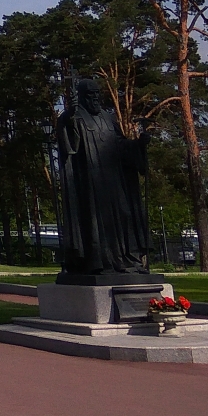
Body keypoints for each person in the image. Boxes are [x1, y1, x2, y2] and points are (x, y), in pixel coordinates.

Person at [57, 78, 150, 276]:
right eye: (90, 95)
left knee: (125, 216)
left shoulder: (108, 119)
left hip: (115, 181)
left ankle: (129, 260)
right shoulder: (76, 117)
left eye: (97, 94)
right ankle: (100, 262)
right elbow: (70, 146)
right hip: (91, 183)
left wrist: (138, 145)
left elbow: (120, 145)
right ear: (82, 97)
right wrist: (69, 116)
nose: (95, 98)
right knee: (95, 223)